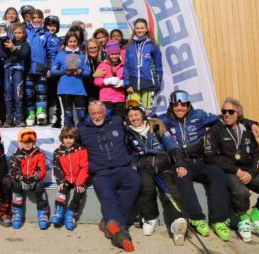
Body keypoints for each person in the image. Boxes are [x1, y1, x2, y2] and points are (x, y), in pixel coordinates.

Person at [159, 90, 259, 241]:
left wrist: (251, 123)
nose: (179, 108)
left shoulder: (199, 116)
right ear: (171, 105)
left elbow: (226, 118)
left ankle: (218, 220)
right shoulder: (164, 120)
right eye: (176, 105)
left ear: (188, 105)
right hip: (181, 162)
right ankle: (197, 219)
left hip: (201, 160)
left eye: (183, 104)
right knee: (183, 176)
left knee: (217, 173)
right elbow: (148, 122)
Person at [205, 97, 259, 243]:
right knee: (241, 192)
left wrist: (251, 173)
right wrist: (236, 171)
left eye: (230, 111)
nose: (226, 114)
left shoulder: (247, 128)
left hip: (248, 170)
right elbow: (210, 157)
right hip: (229, 171)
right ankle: (243, 221)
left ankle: (257, 220)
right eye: (224, 111)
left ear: (238, 114)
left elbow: (256, 154)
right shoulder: (215, 130)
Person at [79, 101, 141, 252]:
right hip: (101, 173)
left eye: (99, 112)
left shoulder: (117, 121)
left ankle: (111, 223)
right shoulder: (82, 130)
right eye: (93, 113)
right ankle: (121, 235)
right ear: (89, 114)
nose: (97, 116)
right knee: (107, 195)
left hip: (123, 167)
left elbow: (136, 124)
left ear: (105, 112)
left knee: (135, 180)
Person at [125, 102, 188, 246]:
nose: (134, 118)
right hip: (144, 165)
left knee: (170, 191)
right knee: (146, 187)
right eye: (130, 116)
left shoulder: (156, 126)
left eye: (136, 114)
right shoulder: (127, 132)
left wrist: (180, 164)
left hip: (162, 163)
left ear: (142, 114)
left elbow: (172, 146)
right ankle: (150, 218)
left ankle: (177, 222)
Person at [50, 126, 89, 230]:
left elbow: (84, 167)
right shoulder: (58, 152)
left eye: (71, 138)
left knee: (79, 192)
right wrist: (61, 181)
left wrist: (80, 182)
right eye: (66, 138)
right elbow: (57, 167)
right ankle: (58, 212)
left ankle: (70, 214)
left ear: (75, 138)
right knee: (62, 190)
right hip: (66, 178)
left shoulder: (81, 150)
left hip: (78, 178)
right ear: (62, 138)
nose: (68, 140)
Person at [10, 128, 48, 230]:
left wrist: (34, 177)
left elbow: (42, 170)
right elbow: (14, 170)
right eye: (25, 142)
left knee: (40, 187)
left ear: (34, 142)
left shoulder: (39, 154)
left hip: (34, 181)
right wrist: (21, 178)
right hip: (22, 181)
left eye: (30, 141)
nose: (28, 144)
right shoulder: (16, 155)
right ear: (20, 142)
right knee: (16, 186)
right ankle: (16, 213)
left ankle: (42, 213)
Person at [50, 31, 90, 128]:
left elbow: (88, 72)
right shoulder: (60, 55)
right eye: (70, 41)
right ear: (66, 42)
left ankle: (81, 137)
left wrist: (79, 72)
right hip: (65, 89)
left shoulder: (81, 55)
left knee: (80, 115)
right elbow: (53, 71)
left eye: (75, 41)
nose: (72, 44)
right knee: (68, 115)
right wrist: (64, 71)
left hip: (79, 89)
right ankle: (66, 138)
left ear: (78, 42)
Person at [123, 18, 162, 110]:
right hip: (133, 85)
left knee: (147, 112)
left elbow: (159, 67)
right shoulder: (129, 46)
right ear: (134, 30)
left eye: (142, 28)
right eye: (137, 28)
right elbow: (126, 67)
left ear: (146, 29)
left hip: (148, 84)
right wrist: (127, 84)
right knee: (131, 110)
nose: (139, 30)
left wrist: (157, 84)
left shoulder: (152, 45)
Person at [1, 23, 30, 127]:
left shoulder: (25, 44)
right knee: (8, 95)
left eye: (20, 33)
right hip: (7, 70)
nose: (17, 35)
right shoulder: (9, 41)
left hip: (18, 71)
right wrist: (2, 36)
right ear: (12, 33)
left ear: (24, 33)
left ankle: (19, 118)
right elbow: (3, 52)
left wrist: (13, 48)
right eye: (15, 33)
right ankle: (9, 119)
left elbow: (22, 55)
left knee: (18, 95)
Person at [25, 9, 50, 125]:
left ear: (42, 19)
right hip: (28, 67)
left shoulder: (46, 33)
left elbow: (50, 52)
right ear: (30, 19)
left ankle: (41, 112)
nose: (36, 20)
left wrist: (49, 67)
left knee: (41, 91)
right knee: (28, 92)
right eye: (34, 18)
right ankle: (30, 114)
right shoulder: (25, 31)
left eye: (38, 18)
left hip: (41, 67)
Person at [94, 40, 125, 117]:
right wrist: (107, 81)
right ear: (108, 54)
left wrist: (123, 83)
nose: (114, 56)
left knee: (119, 120)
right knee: (107, 120)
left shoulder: (123, 66)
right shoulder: (103, 65)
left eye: (117, 54)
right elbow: (96, 81)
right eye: (112, 54)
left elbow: (128, 79)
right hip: (106, 99)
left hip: (119, 99)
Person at [44, 15, 62, 125]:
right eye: (50, 25)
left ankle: (55, 115)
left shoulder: (59, 40)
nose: (52, 28)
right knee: (44, 93)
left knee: (54, 93)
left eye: (54, 26)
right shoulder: (43, 37)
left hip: (55, 71)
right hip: (44, 69)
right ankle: (46, 115)